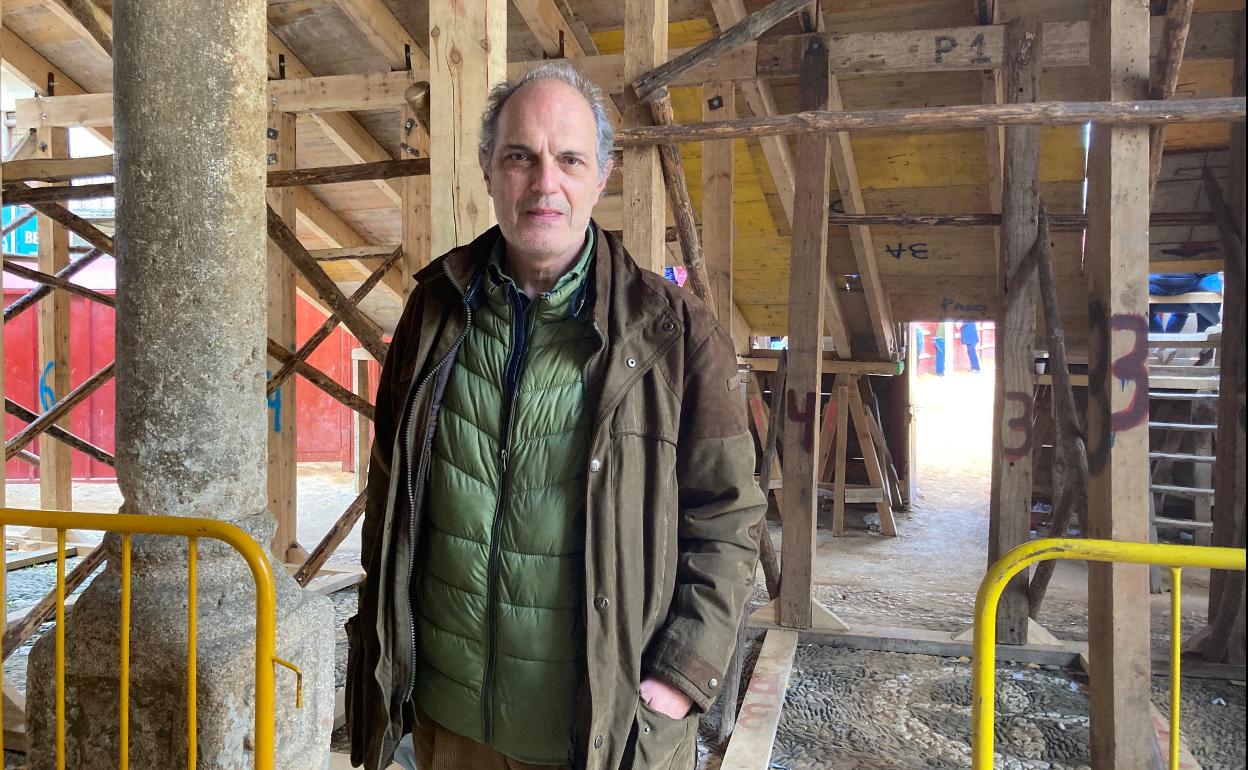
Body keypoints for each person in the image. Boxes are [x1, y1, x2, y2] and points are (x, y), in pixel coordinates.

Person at [344, 62, 766, 770]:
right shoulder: (434, 310)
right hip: (451, 727)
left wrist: (682, 676)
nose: (545, 183)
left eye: (569, 159)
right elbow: (390, 490)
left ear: (601, 174)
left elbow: (728, 517)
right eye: (520, 157)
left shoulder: (673, 334)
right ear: (488, 170)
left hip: (596, 731)